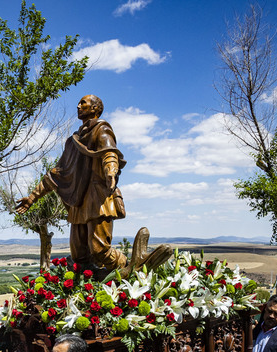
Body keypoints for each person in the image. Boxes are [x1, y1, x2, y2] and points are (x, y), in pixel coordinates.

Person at [16, 94, 170, 274]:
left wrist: (111, 171)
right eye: (79, 103)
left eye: (83, 103)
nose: (78, 106)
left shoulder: (101, 130)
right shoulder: (72, 142)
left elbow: (109, 153)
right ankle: (89, 284)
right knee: (79, 254)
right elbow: (56, 173)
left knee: (100, 250)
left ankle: (127, 266)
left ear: (95, 109)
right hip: (79, 202)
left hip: (98, 198)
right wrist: (32, 197)